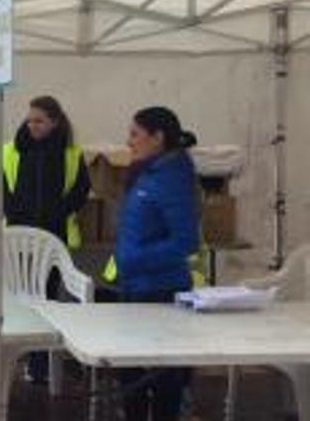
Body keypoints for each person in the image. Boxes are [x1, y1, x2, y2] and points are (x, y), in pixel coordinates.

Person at [115, 106, 199, 421]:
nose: (129, 141)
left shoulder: (174, 177)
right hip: (134, 286)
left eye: (135, 134)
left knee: (164, 379)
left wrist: (136, 259)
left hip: (161, 290)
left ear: (158, 137)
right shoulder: (147, 172)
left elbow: (186, 240)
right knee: (129, 372)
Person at [2, 95, 90, 383]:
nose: (32, 125)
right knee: (20, 300)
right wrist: (16, 217)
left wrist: (58, 211)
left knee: (48, 299)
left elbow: (80, 192)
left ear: (55, 122)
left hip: (53, 239)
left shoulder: (72, 154)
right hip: (19, 239)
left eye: (39, 120)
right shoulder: (12, 152)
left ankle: (40, 364)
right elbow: (3, 190)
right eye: (30, 119)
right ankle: (22, 357)